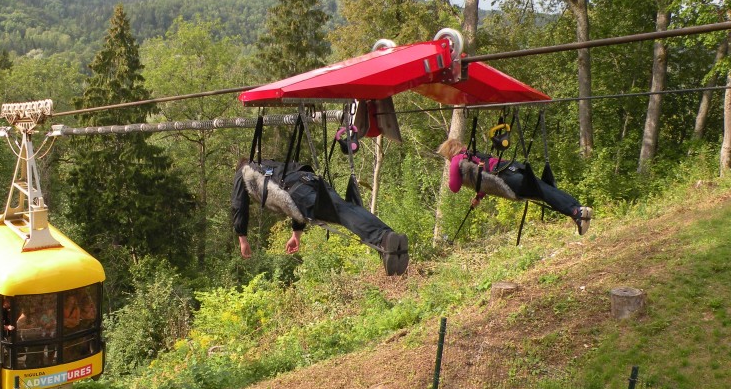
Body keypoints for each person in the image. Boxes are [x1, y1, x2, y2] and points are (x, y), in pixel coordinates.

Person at [231, 158, 409, 275]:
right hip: (311, 181)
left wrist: (242, 239)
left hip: (298, 190)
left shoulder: (244, 171)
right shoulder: (271, 165)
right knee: (345, 209)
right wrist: (296, 234)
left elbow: (239, 204)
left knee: (340, 212)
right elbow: (288, 196)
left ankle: (383, 239)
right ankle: (388, 240)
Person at [437, 137, 592, 234]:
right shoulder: (473, 155)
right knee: (545, 190)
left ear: (449, 152)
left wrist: (453, 172)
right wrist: (479, 196)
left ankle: (576, 211)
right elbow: (483, 177)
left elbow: (454, 187)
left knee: (543, 192)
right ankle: (578, 210)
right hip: (513, 168)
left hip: (507, 177)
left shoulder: (457, 160)